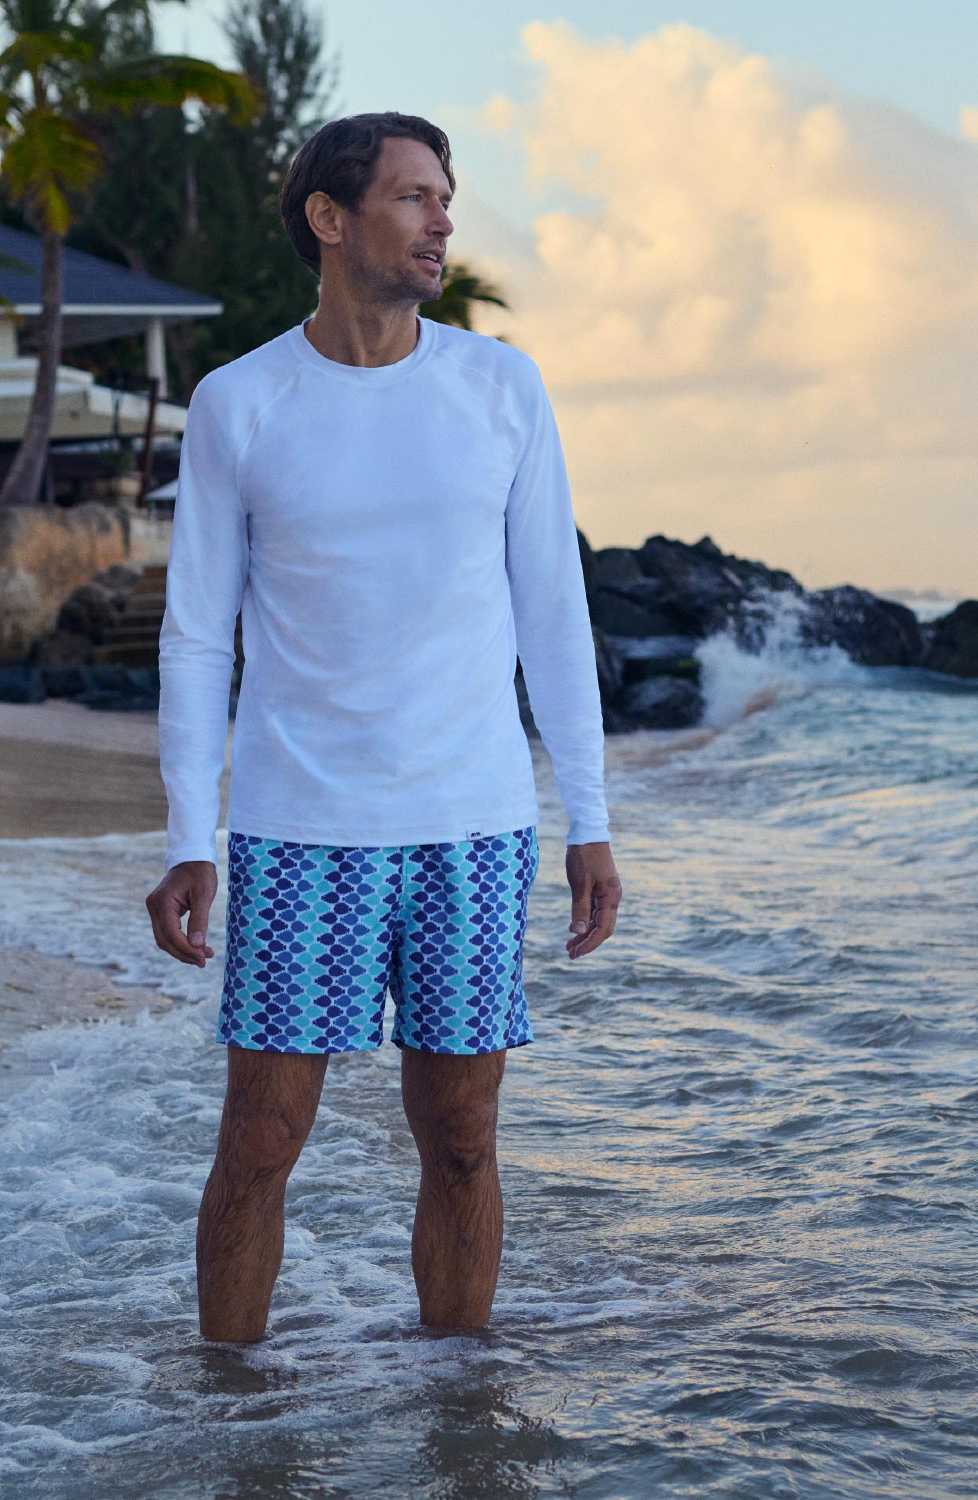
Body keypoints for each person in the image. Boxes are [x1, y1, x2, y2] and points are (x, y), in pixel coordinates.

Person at [146, 111, 622, 1343]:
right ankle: (231, 1422)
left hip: (471, 826)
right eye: (414, 197)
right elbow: (198, 638)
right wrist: (188, 834)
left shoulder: (499, 386)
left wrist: (592, 816)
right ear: (330, 217)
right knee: (262, 1140)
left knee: (463, 1141)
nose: (443, 219)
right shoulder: (239, 403)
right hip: (302, 830)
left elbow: (552, 616)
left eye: (445, 197)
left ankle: (462, 1424)